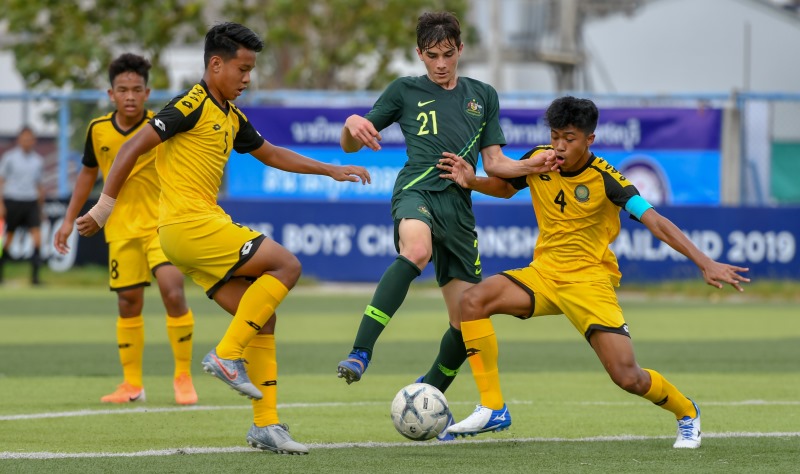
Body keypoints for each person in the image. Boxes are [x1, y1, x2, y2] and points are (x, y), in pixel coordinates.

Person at [77, 22, 370, 455]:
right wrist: (103, 209)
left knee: (262, 317)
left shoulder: (231, 115)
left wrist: (330, 169)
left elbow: (271, 153)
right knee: (287, 265)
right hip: (189, 226)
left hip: (190, 234)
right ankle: (226, 354)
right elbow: (131, 147)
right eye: (242, 69)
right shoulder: (190, 104)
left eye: (251, 70)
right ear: (216, 65)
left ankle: (266, 425)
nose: (247, 78)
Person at [437, 96, 750, 449]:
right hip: (543, 275)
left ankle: (686, 411)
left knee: (627, 377)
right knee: (472, 302)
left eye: (569, 139)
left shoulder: (607, 179)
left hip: (589, 283)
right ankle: (493, 406)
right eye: (555, 136)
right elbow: (505, 187)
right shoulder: (538, 160)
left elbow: (656, 221)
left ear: (589, 139)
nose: (559, 146)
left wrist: (704, 261)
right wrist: (472, 180)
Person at [335, 11, 550, 441]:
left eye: (447, 54)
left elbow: (495, 164)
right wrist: (350, 126)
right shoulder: (404, 90)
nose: (440, 64)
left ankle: (427, 395)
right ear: (419, 54)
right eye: (431, 55)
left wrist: (532, 165)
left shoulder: (482, 95)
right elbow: (352, 143)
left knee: (466, 318)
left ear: (460, 50)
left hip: (459, 208)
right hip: (417, 190)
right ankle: (361, 351)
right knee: (416, 250)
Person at [54, 54, 197, 406]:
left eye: (136, 89)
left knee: (173, 291)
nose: (130, 96)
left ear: (147, 93)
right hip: (120, 229)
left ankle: (183, 376)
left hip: (161, 225)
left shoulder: (161, 126)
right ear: (111, 94)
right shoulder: (98, 130)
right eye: (122, 89)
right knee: (128, 302)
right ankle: (132, 384)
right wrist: (69, 219)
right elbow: (87, 174)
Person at [0, 126, 46, 285]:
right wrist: (1, 204)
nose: (27, 141)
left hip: (31, 202)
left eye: (30, 139)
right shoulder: (9, 158)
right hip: (13, 200)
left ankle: (35, 278)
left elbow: (39, 186)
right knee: (7, 239)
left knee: (38, 239)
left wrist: (40, 209)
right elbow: (1, 181)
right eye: (24, 138)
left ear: (34, 140)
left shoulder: (38, 160)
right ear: (19, 140)